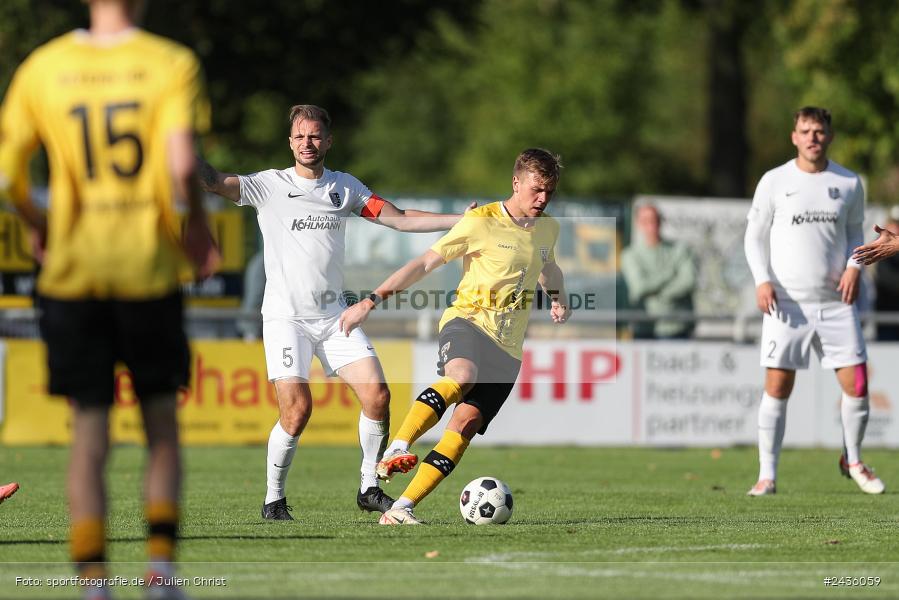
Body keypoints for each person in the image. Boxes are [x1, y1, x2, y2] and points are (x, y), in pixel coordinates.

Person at [0, 0, 219, 597]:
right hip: (147, 269)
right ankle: (160, 573)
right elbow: (181, 165)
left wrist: (38, 223)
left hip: (73, 276)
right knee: (162, 428)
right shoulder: (170, 62)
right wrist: (198, 226)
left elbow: (9, 175)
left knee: (89, 433)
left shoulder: (43, 67)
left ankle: (94, 581)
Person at [198, 104, 472, 521]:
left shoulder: (344, 187)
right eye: (299, 136)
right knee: (297, 411)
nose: (307, 143)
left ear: (328, 141)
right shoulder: (269, 185)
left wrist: (460, 221)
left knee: (378, 396)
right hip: (286, 319)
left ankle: (368, 487)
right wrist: (183, 154)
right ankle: (274, 499)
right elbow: (216, 182)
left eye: (314, 136)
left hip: (334, 318)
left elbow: (398, 219)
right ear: (290, 142)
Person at [339, 148, 569, 525]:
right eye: (536, 189)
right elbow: (423, 263)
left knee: (464, 427)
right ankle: (398, 446)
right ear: (516, 183)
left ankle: (401, 508)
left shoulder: (548, 228)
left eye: (549, 191)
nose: (543, 198)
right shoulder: (481, 221)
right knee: (461, 375)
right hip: (468, 321)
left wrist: (558, 298)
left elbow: (549, 268)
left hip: (509, 348)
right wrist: (371, 300)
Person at [743, 106, 884, 497]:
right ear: (794, 137)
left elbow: (855, 234)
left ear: (829, 136)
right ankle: (767, 475)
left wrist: (855, 267)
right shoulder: (774, 180)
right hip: (786, 303)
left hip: (835, 302)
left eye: (819, 131)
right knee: (777, 387)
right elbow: (754, 237)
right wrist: (762, 280)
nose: (812, 138)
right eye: (805, 131)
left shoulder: (849, 182)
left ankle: (853, 460)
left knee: (858, 383)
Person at [620, 204, 697, 339]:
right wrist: (670, 274)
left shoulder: (679, 249)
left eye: (654, 219)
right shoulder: (630, 255)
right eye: (645, 220)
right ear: (638, 223)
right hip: (645, 328)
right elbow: (640, 287)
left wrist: (660, 296)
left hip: (677, 327)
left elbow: (688, 281)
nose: (651, 224)